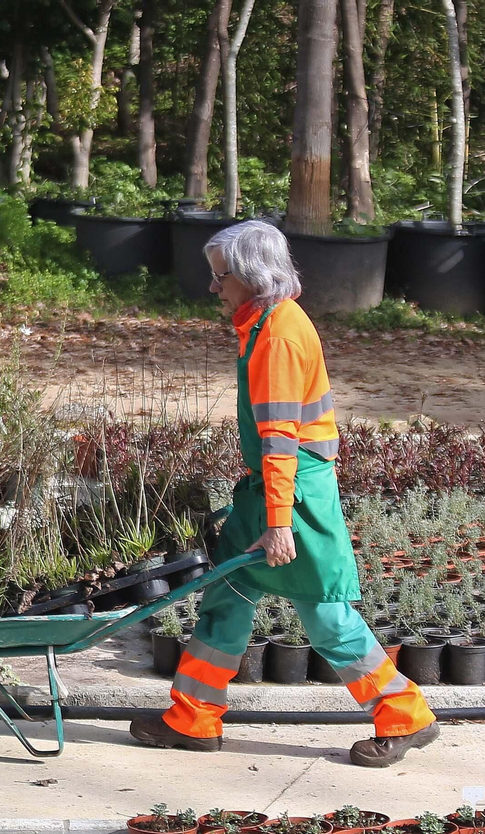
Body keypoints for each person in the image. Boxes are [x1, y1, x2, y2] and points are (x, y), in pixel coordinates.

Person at [128, 220, 438, 767]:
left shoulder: (278, 338)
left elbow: (279, 441)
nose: (213, 287)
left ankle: (405, 714)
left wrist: (277, 523)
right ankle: (193, 718)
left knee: (327, 617)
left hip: (295, 496)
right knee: (226, 601)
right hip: (273, 491)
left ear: (250, 276)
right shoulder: (264, 323)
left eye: (220, 276)